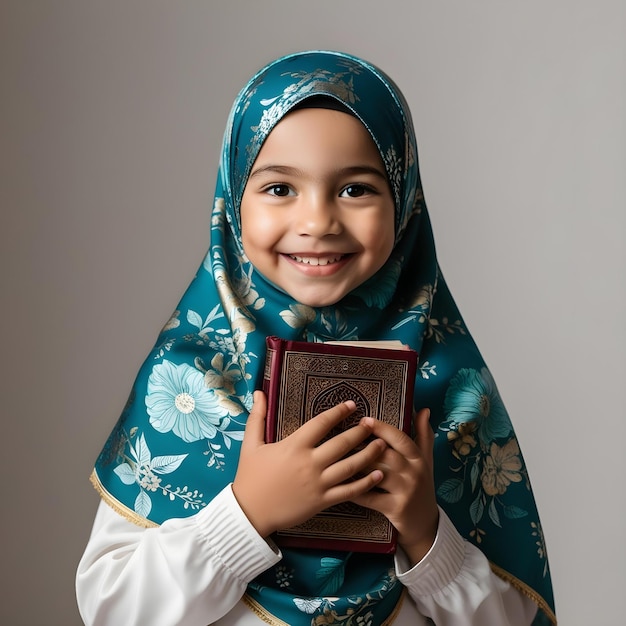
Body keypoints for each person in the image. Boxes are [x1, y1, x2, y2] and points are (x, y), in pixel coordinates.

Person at [76, 50, 556, 625]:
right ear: (233, 199)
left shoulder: (450, 385)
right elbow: (111, 609)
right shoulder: (189, 377)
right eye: (280, 189)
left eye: (355, 189)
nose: (319, 221)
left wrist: (428, 535)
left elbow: (512, 618)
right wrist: (246, 513)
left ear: (404, 200)